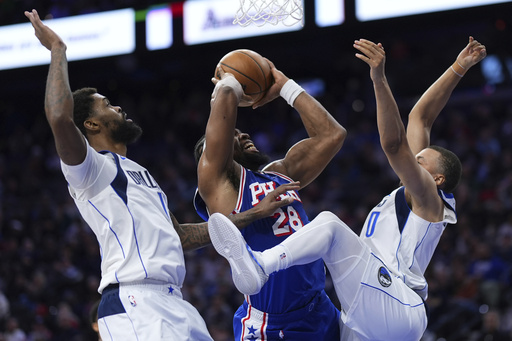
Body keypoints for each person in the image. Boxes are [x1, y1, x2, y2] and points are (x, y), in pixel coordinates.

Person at [24, 9, 294, 341]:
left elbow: (182, 237)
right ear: (91, 125)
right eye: (107, 104)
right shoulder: (89, 168)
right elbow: (60, 119)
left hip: (173, 301)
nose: (119, 108)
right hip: (134, 301)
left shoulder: (140, 173)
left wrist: (253, 214)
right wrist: (58, 51)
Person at [207, 36, 487, 341]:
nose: (412, 160)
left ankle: (262, 264)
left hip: (395, 300)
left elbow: (394, 145)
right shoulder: (414, 193)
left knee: (329, 226)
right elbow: (420, 116)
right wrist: (458, 67)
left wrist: (378, 78)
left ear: (437, 180)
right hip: (376, 311)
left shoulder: (428, 198)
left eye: (420, 161)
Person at [195, 54, 347, 339]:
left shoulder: (279, 172)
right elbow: (224, 111)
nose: (243, 136)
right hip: (273, 323)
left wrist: (284, 86)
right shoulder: (220, 185)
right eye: (234, 136)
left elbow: (332, 135)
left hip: (319, 309)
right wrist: (228, 82)